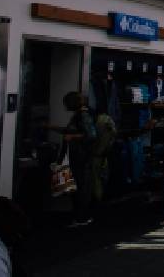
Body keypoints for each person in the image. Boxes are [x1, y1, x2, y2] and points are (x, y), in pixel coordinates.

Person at [50, 91, 96, 226]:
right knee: (78, 187)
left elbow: (91, 135)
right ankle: (80, 216)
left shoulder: (83, 116)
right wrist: (54, 128)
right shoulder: (80, 115)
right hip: (78, 157)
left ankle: (82, 217)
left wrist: (72, 137)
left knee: (80, 187)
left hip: (81, 157)